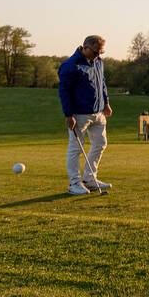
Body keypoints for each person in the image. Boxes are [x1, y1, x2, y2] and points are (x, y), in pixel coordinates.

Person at [57, 35, 113, 195]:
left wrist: (106, 103)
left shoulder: (98, 62)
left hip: (98, 112)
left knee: (100, 144)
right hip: (79, 114)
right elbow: (64, 92)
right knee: (76, 148)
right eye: (96, 52)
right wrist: (69, 115)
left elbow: (102, 83)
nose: (98, 55)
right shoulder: (70, 65)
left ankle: (90, 179)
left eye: (101, 52)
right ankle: (74, 183)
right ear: (85, 47)